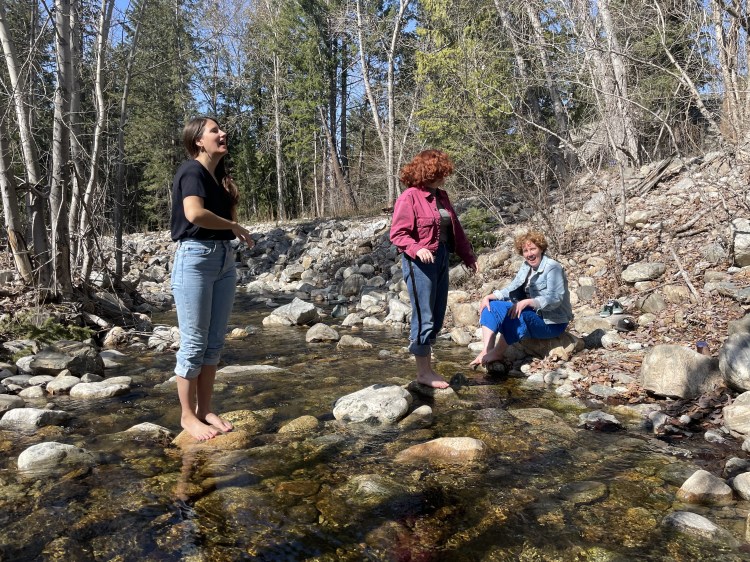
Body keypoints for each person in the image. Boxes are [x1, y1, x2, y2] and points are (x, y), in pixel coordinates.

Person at [170, 117, 254, 441]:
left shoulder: (220, 178)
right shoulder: (191, 171)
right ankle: (187, 416)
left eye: (221, 130)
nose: (223, 134)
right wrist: (234, 227)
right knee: (193, 343)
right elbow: (193, 214)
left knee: (214, 343)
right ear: (197, 141)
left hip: (223, 261)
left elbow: (223, 220)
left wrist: (232, 218)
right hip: (195, 260)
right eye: (214, 131)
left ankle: (205, 409)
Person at [390, 149, 478, 388]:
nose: (444, 177)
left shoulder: (442, 196)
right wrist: (417, 248)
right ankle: (423, 373)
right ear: (427, 173)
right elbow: (398, 234)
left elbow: (455, 229)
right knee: (425, 316)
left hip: (440, 259)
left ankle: (427, 368)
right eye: (440, 173)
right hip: (419, 262)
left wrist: (468, 257)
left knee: (438, 316)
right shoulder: (409, 197)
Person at [469, 230, 573, 368]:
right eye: (525, 250)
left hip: (552, 322)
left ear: (541, 248)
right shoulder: (526, 266)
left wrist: (529, 302)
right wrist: (490, 296)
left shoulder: (553, 267)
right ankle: (486, 350)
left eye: (533, 249)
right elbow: (511, 288)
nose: (529, 254)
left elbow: (555, 298)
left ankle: (498, 352)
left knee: (517, 313)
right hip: (532, 313)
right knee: (491, 306)